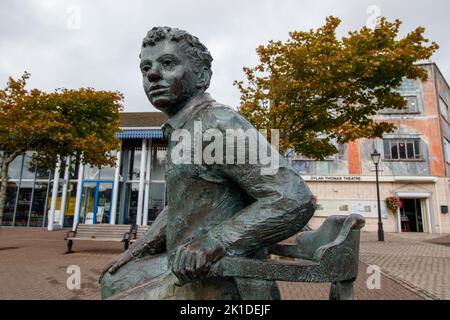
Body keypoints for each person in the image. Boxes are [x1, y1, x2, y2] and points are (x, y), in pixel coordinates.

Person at [100, 27, 316, 300]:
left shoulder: (218, 124)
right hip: (183, 269)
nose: (152, 74)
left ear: (202, 76)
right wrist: (137, 249)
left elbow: (293, 198)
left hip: (221, 278)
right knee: (113, 279)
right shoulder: (183, 130)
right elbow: (181, 204)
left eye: (167, 63)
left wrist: (214, 241)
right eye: (145, 68)